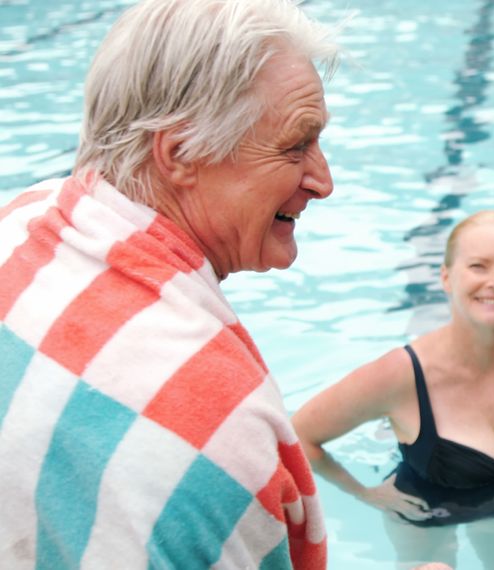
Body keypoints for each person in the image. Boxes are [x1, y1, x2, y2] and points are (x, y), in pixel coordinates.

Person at [0, 0, 338, 567]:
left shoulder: (21, 226)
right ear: (181, 154)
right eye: (295, 145)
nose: (323, 181)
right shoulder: (222, 434)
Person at [292, 210, 494, 569]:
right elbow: (300, 435)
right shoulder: (401, 375)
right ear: (446, 278)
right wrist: (366, 495)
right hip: (427, 517)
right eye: (478, 266)